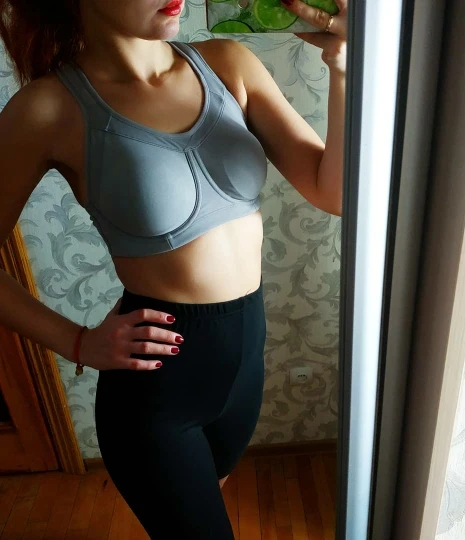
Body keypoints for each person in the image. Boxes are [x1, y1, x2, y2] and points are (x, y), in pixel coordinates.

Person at [0, 0, 346, 537]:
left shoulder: (228, 63)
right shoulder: (49, 108)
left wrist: (343, 67)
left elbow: (334, 192)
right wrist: (77, 343)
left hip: (244, 371)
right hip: (156, 395)